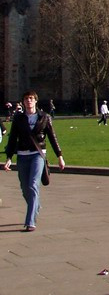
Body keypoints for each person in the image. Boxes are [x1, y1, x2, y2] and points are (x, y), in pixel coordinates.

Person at [3, 90, 66, 231]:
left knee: (33, 184)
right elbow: (13, 138)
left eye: (31, 98)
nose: (29, 101)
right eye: (26, 99)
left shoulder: (44, 117)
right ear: (23, 102)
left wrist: (59, 156)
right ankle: (35, 204)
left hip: (38, 155)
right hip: (22, 155)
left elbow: (52, 138)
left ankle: (30, 221)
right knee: (25, 189)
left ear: (35, 101)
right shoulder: (18, 118)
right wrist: (8, 158)